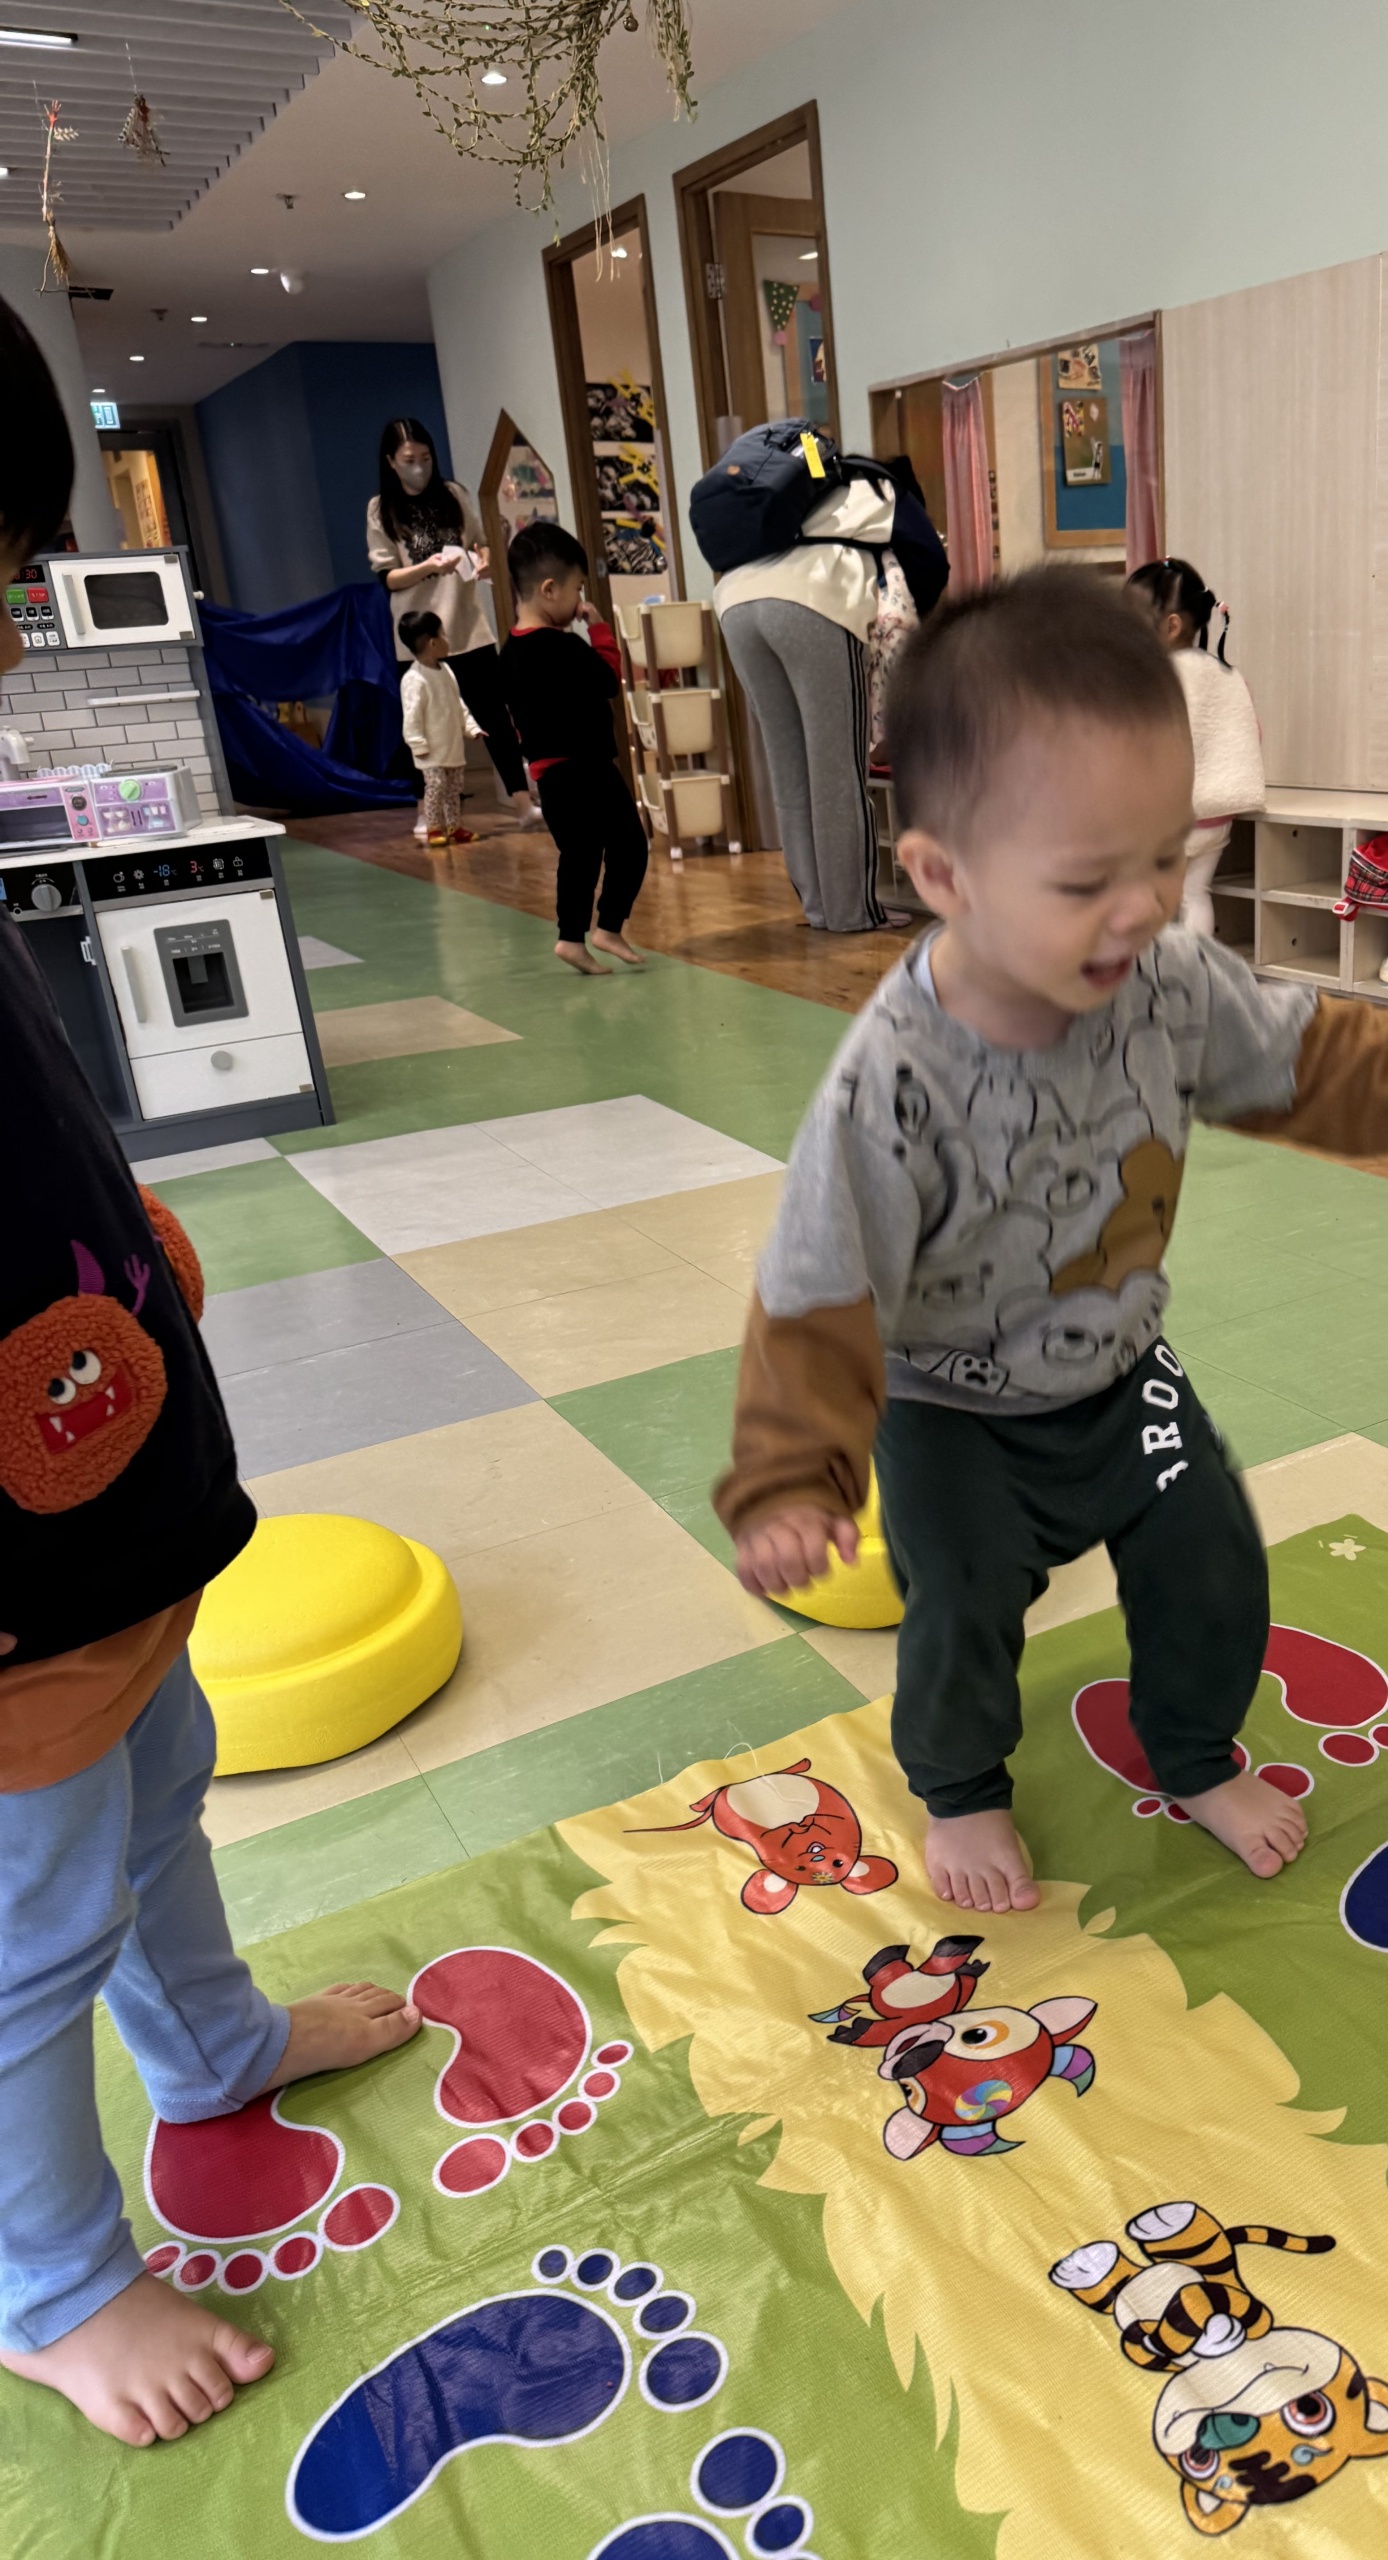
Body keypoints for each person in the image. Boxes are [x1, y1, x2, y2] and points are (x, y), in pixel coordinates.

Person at [715, 572, 1388, 1917]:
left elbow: (1316, 1059)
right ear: (943, 877)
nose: (1138, 909)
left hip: (1121, 1372)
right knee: (961, 1604)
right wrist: (790, 1476)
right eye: (1085, 879)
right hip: (953, 1410)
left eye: (1163, 860)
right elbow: (817, 1284)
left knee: (1210, 1550)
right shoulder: (893, 1082)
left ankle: (1193, 1752)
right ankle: (961, 1785)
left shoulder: (1164, 983)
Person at [0, 292, 421, 2449]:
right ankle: (55, 2281)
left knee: (163, 1798)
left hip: (112, 1503)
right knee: (28, 1929)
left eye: (6, 579)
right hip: (12, 1578)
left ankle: (218, 2050)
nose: (4, 636)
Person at [710, 439, 944, 935]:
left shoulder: (812, 491)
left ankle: (818, 907)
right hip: (812, 603)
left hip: (734, 603)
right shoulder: (887, 489)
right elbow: (932, 562)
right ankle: (852, 911)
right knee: (837, 769)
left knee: (790, 768)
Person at [366, 416, 533, 830]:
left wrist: (485, 559)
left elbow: (480, 541)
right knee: (422, 722)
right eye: (409, 459)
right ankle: (427, 811)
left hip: (467, 626)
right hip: (417, 633)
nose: (419, 467)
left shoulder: (453, 495)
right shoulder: (380, 509)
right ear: (390, 461)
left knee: (494, 716)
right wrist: (428, 566)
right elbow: (388, 577)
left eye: (425, 458)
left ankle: (523, 803)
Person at [499, 521, 649, 977]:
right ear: (549, 589)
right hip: (588, 767)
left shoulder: (509, 652)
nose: (581, 599)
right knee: (630, 846)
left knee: (580, 856)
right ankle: (607, 927)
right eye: (578, 589)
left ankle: (572, 938)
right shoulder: (561, 646)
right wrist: (599, 628)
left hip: (548, 774)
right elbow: (608, 679)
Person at [1128, 557, 1265, 938]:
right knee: (1194, 895)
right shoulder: (1226, 673)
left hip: (1168, 819)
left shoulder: (1157, 679)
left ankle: (1155, 967)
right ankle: (1195, 965)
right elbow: (1250, 734)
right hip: (1216, 816)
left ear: (1170, 627)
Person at [397, 607, 484, 847]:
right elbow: (412, 717)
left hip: (451, 747)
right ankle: (434, 827)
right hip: (430, 751)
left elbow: (458, 704)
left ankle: (455, 826)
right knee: (436, 787)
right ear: (432, 642)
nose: (447, 638)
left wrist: (471, 727)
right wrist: (418, 744)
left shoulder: (446, 671)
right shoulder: (414, 679)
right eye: (443, 633)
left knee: (454, 788)